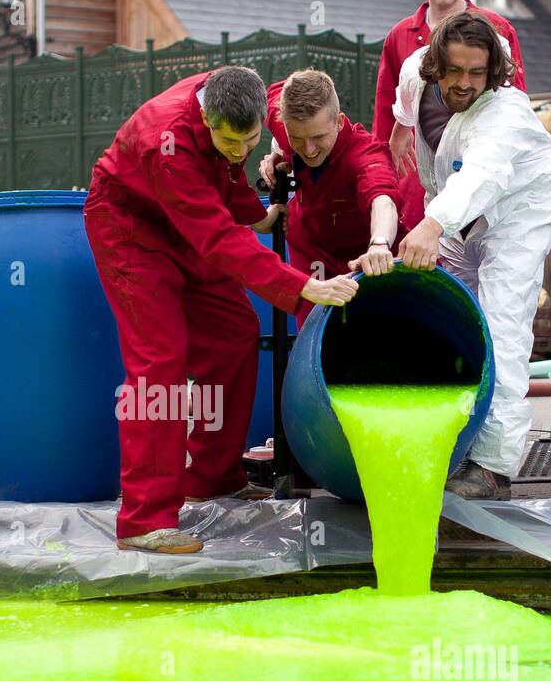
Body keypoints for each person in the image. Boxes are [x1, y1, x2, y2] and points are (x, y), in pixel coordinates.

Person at [85, 66, 359, 554]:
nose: (239, 151)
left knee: (234, 332)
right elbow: (215, 238)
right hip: (131, 231)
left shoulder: (237, 96)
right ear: (206, 117)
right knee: (159, 363)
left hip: (184, 222)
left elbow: (225, 174)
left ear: (264, 120)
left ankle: (211, 476)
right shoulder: (165, 143)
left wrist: (259, 213)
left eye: (249, 141)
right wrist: (301, 287)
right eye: (228, 140)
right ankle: (145, 519)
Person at [393, 12, 551, 500]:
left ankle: (493, 466)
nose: (466, 84)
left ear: (492, 72)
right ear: (435, 66)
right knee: (438, 309)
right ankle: (433, 433)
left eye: (478, 73)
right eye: (455, 72)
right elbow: (406, 112)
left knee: (500, 326)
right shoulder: (414, 72)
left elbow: (484, 175)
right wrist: (398, 132)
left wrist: (432, 224)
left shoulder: (503, 113)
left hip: (520, 210)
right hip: (458, 210)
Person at [256, 69, 403, 326]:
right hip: (311, 247)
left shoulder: (365, 156)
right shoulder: (280, 115)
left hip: (366, 257)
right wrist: (280, 150)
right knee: (315, 331)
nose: (309, 150)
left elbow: (383, 200)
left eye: (318, 137)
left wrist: (379, 244)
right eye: (297, 139)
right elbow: (271, 92)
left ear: (339, 121)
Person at [375, 0, 526, 237]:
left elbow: (513, 110)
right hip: (417, 186)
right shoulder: (399, 36)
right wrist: (383, 184)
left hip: (483, 184)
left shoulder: (497, 29)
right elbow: (386, 112)